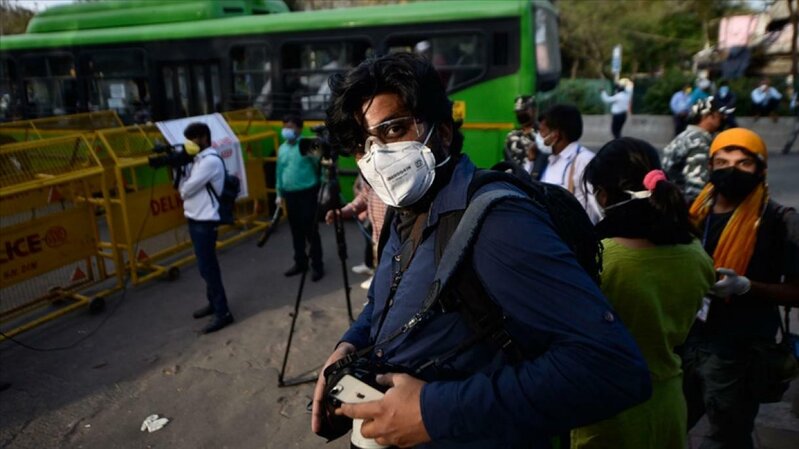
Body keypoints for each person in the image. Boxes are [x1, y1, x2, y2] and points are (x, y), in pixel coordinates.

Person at [312, 52, 651, 449]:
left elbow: (612, 369)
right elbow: (384, 301)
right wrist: (348, 345)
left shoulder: (498, 222)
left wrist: (434, 411)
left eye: (392, 130)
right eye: (361, 145)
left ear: (441, 132)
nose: (376, 157)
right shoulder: (403, 212)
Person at [572, 137, 715, 449]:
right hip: (667, 403)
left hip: (606, 406)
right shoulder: (696, 254)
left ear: (604, 195)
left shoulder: (598, 259)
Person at [682, 128, 799, 449]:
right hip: (686, 339)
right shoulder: (693, 213)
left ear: (761, 170)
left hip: (739, 350)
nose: (731, 170)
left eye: (743, 163)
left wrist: (748, 287)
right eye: (721, 161)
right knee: (671, 424)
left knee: (728, 436)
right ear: (709, 167)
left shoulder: (779, 220)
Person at [179, 123, 234, 334]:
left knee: (208, 268)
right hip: (196, 218)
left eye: (191, 139)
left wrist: (183, 179)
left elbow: (185, 190)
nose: (189, 144)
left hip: (205, 221)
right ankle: (213, 303)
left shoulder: (209, 161)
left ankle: (223, 312)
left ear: (202, 138)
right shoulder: (199, 160)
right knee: (205, 267)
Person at [275, 114, 324, 281]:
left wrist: (323, 188)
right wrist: (279, 193)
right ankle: (300, 263)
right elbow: (279, 172)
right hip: (290, 195)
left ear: (299, 128)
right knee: (296, 231)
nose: (287, 130)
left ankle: (317, 266)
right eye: (285, 127)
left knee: (310, 230)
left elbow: (321, 166)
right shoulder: (282, 149)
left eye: (291, 127)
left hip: (307, 193)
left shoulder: (307, 145)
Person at [325, 163, 389, 291]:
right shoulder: (370, 171)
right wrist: (343, 212)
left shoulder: (392, 168)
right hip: (377, 237)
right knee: (381, 272)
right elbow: (364, 197)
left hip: (396, 239)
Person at [538, 104, 603, 223]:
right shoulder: (549, 160)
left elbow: (599, 208)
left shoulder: (584, 160)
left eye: (542, 132)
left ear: (556, 134)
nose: (538, 137)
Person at [661, 97, 732, 204]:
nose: (724, 118)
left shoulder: (687, 135)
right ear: (707, 116)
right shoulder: (698, 142)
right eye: (720, 115)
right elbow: (696, 186)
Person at [503, 95, 547, 179]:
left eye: (523, 111)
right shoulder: (512, 135)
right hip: (514, 180)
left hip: (536, 180)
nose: (520, 115)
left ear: (534, 111)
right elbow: (506, 160)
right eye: (518, 112)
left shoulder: (542, 134)